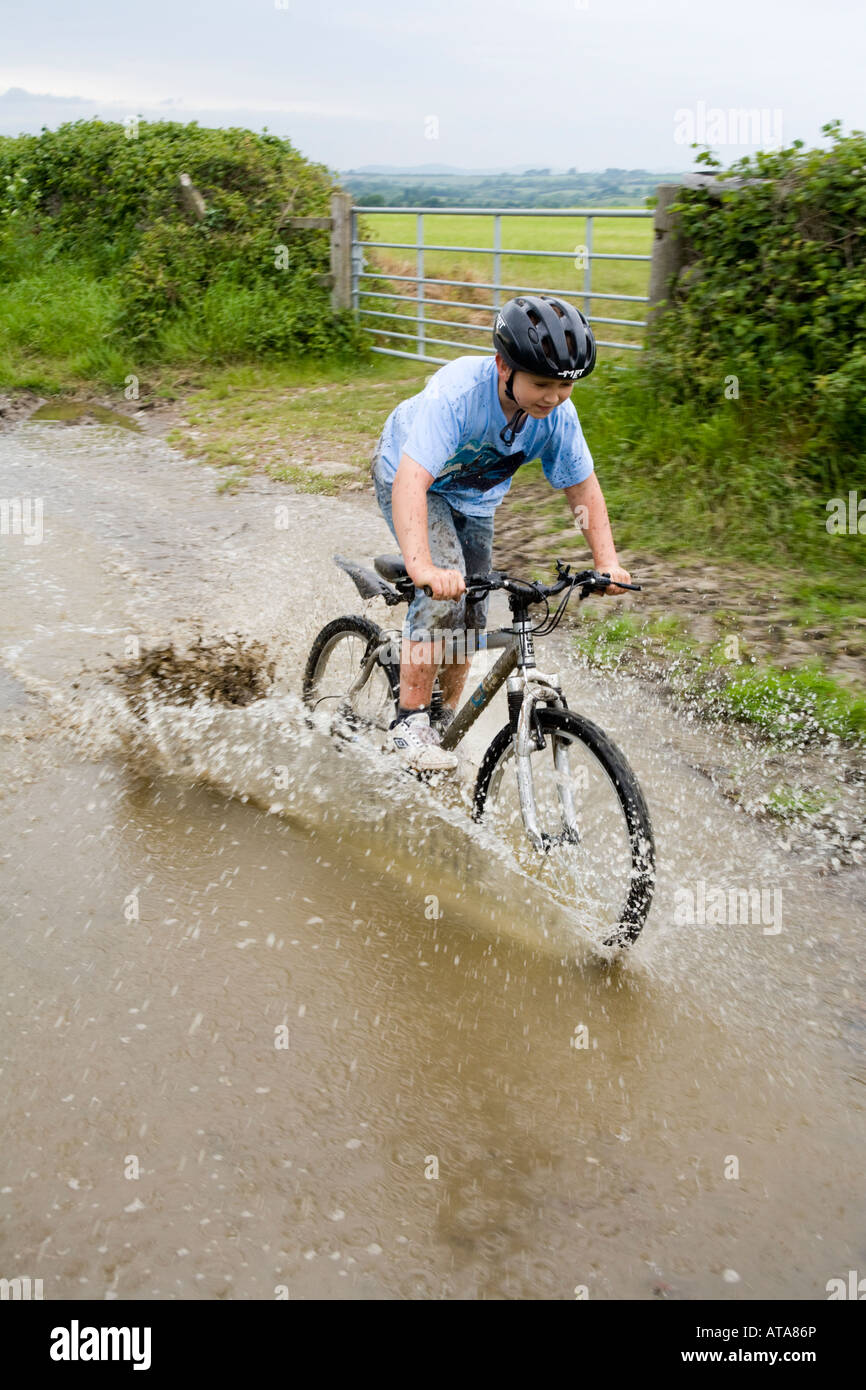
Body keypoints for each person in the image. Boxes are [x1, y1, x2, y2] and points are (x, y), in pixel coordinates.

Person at [370, 294, 631, 773]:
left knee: (472, 611)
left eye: (564, 387)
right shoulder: (457, 396)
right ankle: (408, 723)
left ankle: (443, 718)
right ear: (502, 367)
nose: (553, 397)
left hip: (475, 498)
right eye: (542, 384)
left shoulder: (556, 418)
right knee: (443, 590)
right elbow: (413, 481)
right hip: (410, 478)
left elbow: (581, 489)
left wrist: (606, 560)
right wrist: (423, 566)